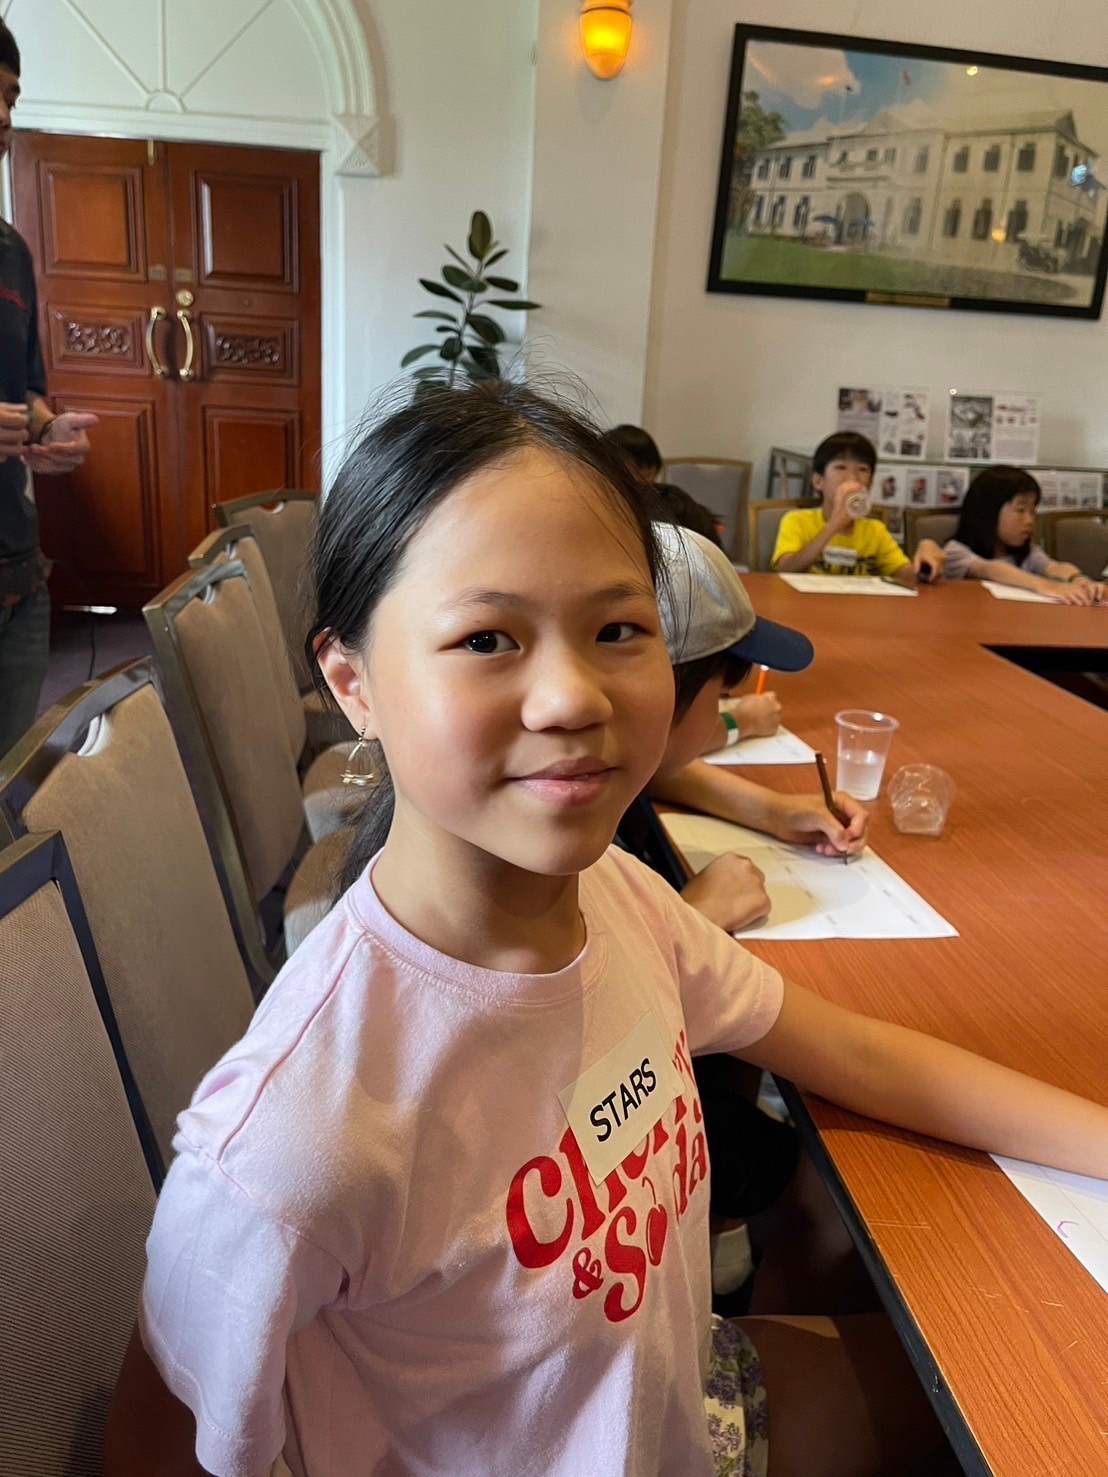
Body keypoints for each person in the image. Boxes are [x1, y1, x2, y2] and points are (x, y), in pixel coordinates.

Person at [106, 382, 1108, 1477]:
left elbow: (855, 1051)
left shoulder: (623, 900)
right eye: (487, 637)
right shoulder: (295, 1136)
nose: (572, 696)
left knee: (1025, 1383)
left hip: (682, 1398)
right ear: (354, 684)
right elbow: (158, 1448)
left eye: (618, 629)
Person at [0, 18, 97, 758]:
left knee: (9, 774)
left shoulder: (12, 252)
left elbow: (29, 389)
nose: (3, 117)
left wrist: (45, 428)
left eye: (10, 98)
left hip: (18, 568)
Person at [772, 432, 944, 585]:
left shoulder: (875, 530)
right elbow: (785, 569)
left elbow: (905, 575)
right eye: (841, 467)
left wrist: (926, 558)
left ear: (870, 484)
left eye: (862, 469)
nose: (852, 477)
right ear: (818, 481)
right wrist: (833, 525)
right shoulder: (797, 520)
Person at [943, 465, 1104, 605]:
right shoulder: (955, 551)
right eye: (1021, 510)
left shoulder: (1028, 553)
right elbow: (989, 569)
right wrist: (1047, 586)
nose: (1029, 520)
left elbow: (1054, 567)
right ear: (988, 512)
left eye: (1032, 511)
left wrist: (1079, 580)